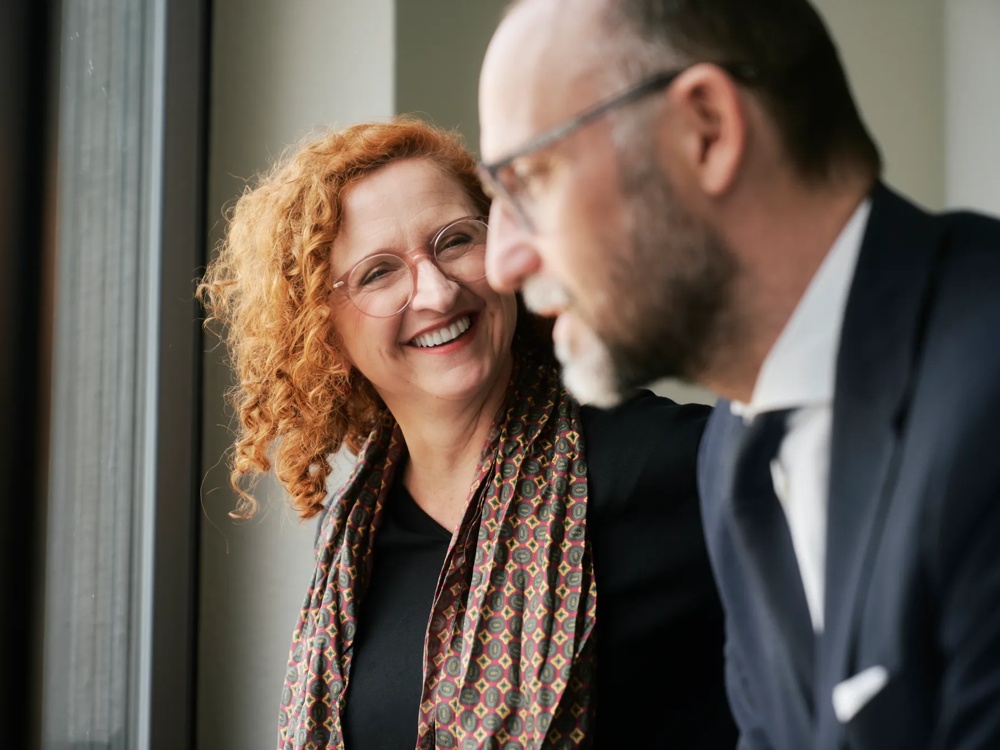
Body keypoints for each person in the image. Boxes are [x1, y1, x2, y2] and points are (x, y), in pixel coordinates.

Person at [478, 1, 1000, 748]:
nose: (501, 262)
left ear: (707, 131)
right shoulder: (735, 449)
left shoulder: (985, 395)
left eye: (528, 181)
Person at [197, 117, 736, 749]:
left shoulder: (675, 466)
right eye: (378, 273)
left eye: (455, 241)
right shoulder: (353, 540)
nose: (437, 291)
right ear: (323, 332)